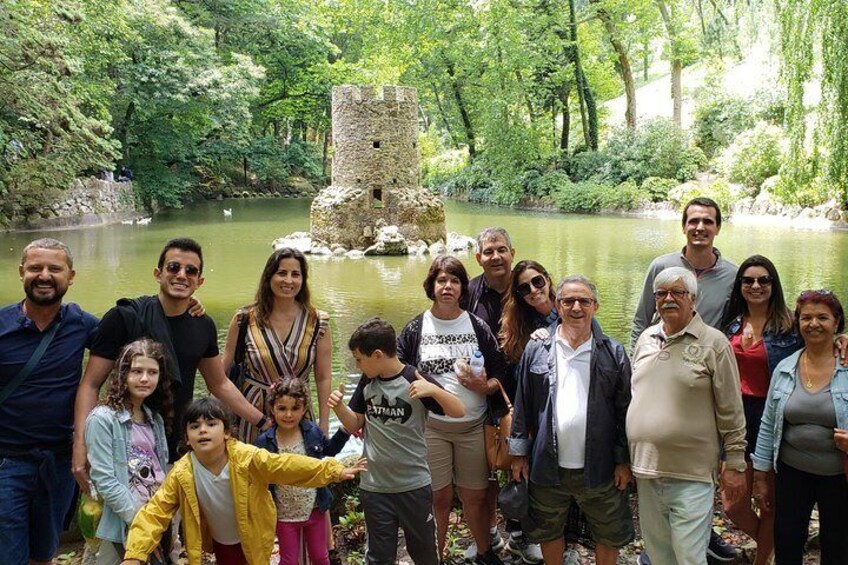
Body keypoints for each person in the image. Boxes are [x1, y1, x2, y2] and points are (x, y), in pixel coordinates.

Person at [73, 238, 266, 489]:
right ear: (158, 273)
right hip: (122, 444)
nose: (181, 275)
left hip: (177, 443)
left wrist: (263, 421)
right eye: (173, 267)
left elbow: (219, 383)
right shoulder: (125, 317)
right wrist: (82, 443)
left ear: (199, 281)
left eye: (191, 271)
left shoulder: (203, 325)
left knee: (174, 525)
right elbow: (90, 384)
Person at [119, 397, 365, 565]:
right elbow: (155, 511)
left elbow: (286, 466)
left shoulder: (247, 458)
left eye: (211, 424)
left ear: (226, 432)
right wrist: (135, 553)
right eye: (195, 426)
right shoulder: (183, 472)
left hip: (254, 538)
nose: (203, 430)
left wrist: (331, 469)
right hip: (220, 543)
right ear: (187, 436)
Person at [630, 198, 739, 564]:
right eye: (663, 294)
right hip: (646, 467)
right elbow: (640, 321)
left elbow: (730, 409)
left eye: (678, 293)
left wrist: (734, 462)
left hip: (692, 464)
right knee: (659, 555)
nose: (668, 298)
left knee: (689, 557)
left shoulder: (716, 339)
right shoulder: (647, 337)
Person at [509, 275, 633, 565]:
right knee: (548, 529)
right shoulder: (537, 348)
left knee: (608, 532)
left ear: (595, 306)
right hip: (548, 463)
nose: (576, 307)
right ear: (557, 305)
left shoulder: (613, 353)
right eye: (568, 301)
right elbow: (523, 403)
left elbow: (624, 411)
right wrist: (518, 454)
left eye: (584, 301)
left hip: (600, 466)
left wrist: (623, 460)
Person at [397, 255, 508, 565]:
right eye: (441, 280)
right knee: (438, 497)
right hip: (432, 427)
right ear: (431, 286)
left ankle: (485, 552)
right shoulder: (417, 327)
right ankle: (435, 555)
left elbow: (500, 370)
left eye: (455, 280)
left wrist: (486, 386)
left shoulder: (477, 325)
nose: (447, 286)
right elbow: (398, 367)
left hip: (473, 426)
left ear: (463, 287)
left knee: (476, 496)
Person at [328, 317, 465, 565]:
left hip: (413, 485)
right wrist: (338, 407)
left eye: (359, 359)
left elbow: (458, 411)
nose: (358, 365)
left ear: (378, 355)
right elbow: (354, 423)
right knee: (379, 557)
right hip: (375, 488)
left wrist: (434, 390)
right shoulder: (368, 381)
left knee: (425, 554)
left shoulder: (414, 378)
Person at [0, 238, 99, 565]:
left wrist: (188, 307)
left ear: (71, 276)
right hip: (7, 462)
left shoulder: (81, 324)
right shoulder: (2, 325)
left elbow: (133, 338)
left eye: (54, 269)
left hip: (58, 463)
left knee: (44, 552)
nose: (44, 275)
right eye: (35, 268)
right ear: (21, 272)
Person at [461, 228, 542, 563]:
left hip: (524, 392)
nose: (495, 256)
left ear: (512, 252)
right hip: (482, 393)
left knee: (525, 465)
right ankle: (490, 532)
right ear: (478, 257)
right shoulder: (468, 292)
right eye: (488, 251)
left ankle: (523, 534)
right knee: (490, 465)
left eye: (501, 250)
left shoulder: (527, 286)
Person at [751, 290, 848, 565]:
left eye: (822, 317)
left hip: (839, 475)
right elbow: (768, 423)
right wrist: (760, 476)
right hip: (792, 473)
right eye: (806, 317)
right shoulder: (785, 368)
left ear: (836, 322)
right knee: (787, 539)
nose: (813, 324)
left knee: (838, 544)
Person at [719, 255, 801, 565]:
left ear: (773, 285)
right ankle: (778, 545)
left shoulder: (790, 325)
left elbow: (822, 343)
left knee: (767, 501)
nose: (756, 286)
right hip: (735, 418)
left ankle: (762, 560)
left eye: (763, 280)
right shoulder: (730, 325)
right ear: (739, 286)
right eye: (748, 280)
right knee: (732, 503)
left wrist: (841, 342)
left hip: (774, 417)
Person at [223, 247, 333, 444]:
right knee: (253, 471)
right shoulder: (244, 319)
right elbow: (221, 378)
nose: (288, 281)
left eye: (295, 274)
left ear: (303, 279)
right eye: (282, 273)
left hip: (299, 413)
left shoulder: (318, 322)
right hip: (252, 415)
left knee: (299, 471)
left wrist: (324, 423)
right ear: (269, 276)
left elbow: (323, 377)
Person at [85, 339, 172, 565]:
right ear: (123, 374)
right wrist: (141, 519)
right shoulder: (102, 419)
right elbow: (104, 479)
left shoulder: (155, 419)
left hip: (157, 517)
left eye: (152, 372)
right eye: (137, 371)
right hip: (122, 520)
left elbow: (160, 470)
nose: (145, 378)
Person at [254, 378, 350, 565]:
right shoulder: (264, 442)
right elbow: (258, 476)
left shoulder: (312, 432)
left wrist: (345, 430)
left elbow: (329, 451)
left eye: (295, 408)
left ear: (304, 408)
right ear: (272, 408)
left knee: (320, 557)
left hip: (314, 509)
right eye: (282, 408)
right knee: (289, 561)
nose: (288, 414)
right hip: (284, 513)